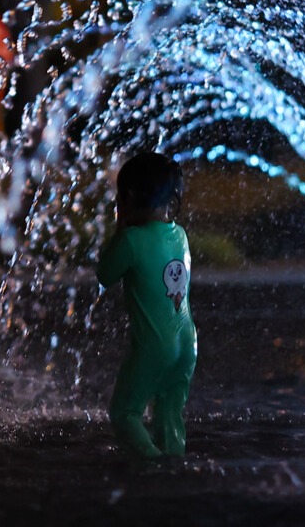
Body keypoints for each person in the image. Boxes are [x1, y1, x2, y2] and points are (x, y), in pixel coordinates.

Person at [96, 151, 198, 458]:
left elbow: (105, 274)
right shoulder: (179, 235)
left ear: (127, 197)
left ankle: (152, 467)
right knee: (169, 414)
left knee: (125, 414)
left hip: (154, 348)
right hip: (187, 345)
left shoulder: (131, 241)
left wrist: (120, 226)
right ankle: (174, 471)